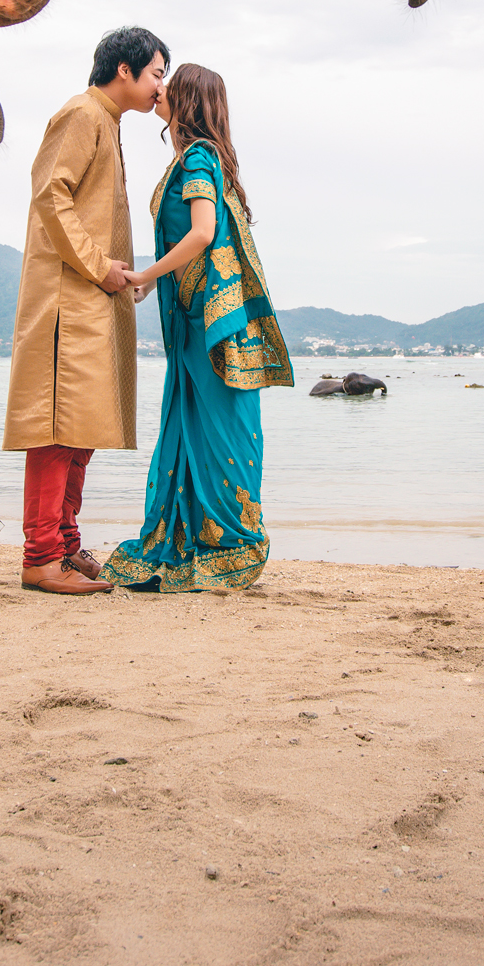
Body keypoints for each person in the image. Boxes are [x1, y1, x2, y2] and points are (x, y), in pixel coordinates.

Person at [101, 63, 292, 592]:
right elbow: (192, 240)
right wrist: (157, 282)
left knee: (220, 426)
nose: (158, 89)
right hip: (193, 318)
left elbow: (204, 233)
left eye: (169, 83)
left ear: (186, 100)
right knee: (196, 429)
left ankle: (233, 542)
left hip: (208, 322)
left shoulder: (200, 157)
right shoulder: (193, 160)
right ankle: (197, 537)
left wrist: (146, 274)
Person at [2, 27, 167, 594]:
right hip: (66, 301)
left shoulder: (108, 122)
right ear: (125, 70)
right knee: (57, 430)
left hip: (92, 297)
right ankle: (41, 556)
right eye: (155, 73)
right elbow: (51, 193)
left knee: (83, 428)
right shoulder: (81, 113)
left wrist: (116, 273)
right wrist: (100, 267)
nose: (159, 86)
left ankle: (65, 547)